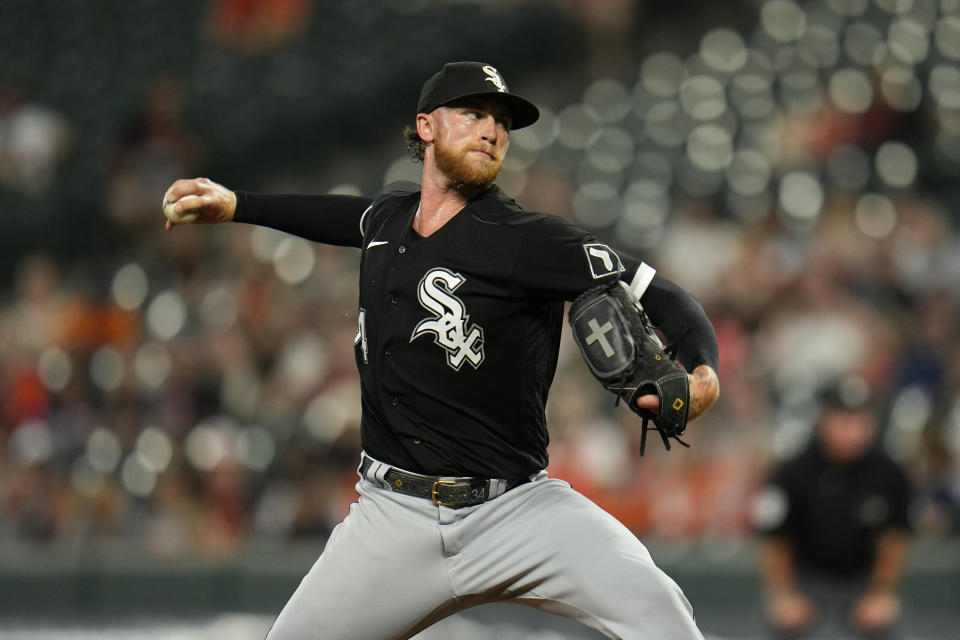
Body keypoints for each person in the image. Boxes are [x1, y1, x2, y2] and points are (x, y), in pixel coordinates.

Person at [163, 61, 720, 639]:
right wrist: (237, 205)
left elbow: (665, 294)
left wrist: (705, 373)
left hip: (518, 512)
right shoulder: (387, 218)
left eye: (502, 123)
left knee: (663, 618)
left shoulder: (527, 239)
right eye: (474, 114)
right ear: (426, 127)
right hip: (392, 516)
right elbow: (339, 217)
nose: (492, 131)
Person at [752, 376, 911, 639]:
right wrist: (782, 594)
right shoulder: (793, 470)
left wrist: (882, 593)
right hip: (806, 582)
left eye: (859, 418)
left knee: (888, 623)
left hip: (862, 581)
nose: (851, 428)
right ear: (823, 419)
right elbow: (776, 538)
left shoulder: (888, 471)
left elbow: (894, 537)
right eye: (842, 419)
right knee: (779, 623)